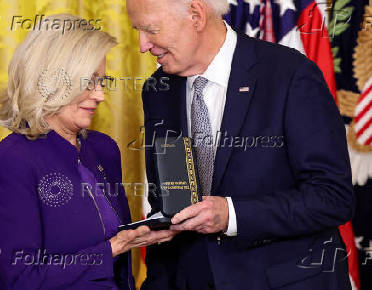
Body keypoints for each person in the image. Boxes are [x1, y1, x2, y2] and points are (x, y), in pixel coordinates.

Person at [126, 0, 355, 289]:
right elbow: (169, 205)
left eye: (150, 30)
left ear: (195, 15)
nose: (142, 45)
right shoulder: (158, 90)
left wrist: (231, 215)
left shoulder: (290, 74)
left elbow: (332, 197)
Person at [0, 13, 174, 290]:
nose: (100, 95)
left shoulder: (103, 149)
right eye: (88, 81)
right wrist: (114, 247)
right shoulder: (8, 164)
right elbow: (20, 280)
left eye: (102, 81)